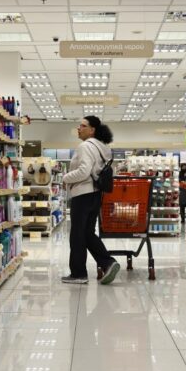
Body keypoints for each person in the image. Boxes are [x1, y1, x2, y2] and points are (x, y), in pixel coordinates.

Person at [61, 116, 120, 285]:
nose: (78, 128)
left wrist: (65, 178)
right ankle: (108, 263)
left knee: (77, 235)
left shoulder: (85, 146)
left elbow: (84, 171)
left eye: (83, 125)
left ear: (92, 130)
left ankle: (78, 273)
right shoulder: (102, 147)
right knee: (87, 233)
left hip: (82, 194)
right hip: (96, 195)